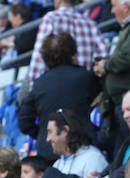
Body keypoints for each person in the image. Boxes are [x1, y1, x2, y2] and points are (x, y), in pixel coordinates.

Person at [20, 32, 101, 160]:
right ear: (73, 53)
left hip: (49, 153)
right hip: (83, 148)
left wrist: (44, 134)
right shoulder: (85, 77)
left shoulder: (39, 83)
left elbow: (24, 122)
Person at [27, 0, 108, 85]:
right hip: (84, 84)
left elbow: (39, 54)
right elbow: (104, 54)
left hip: (56, 83)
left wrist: (33, 82)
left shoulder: (51, 18)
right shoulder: (90, 23)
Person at [46, 109, 108, 178]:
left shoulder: (93, 158)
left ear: (65, 131)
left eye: (50, 132)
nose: (47, 139)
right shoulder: (57, 165)